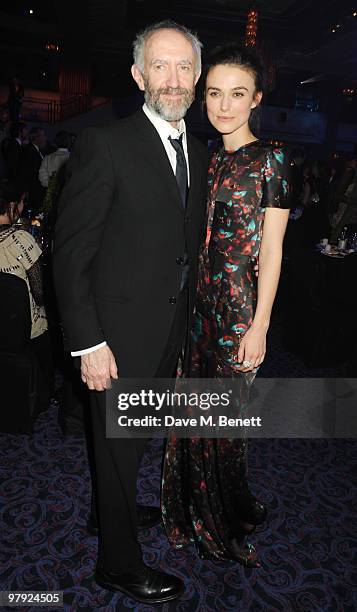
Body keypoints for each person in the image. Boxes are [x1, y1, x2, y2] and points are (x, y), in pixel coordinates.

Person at [53, 21, 207, 604]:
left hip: (167, 330)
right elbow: (69, 256)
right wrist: (88, 342)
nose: (173, 79)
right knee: (118, 446)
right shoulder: (106, 145)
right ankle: (117, 566)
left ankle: (107, 512)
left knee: (134, 439)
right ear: (139, 75)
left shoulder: (198, 146)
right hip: (113, 338)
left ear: (196, 76)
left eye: (184, 67)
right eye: (160, 66)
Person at [162, 43, 291, 567]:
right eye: (214, 93)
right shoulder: (207, 156)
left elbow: (275, 251)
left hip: (238, 312)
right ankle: (197, 504)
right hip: (197, 309)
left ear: (256, 98)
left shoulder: (272, 159)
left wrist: (259, 326)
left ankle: (226, 520)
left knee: (226, 426)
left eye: (237, 94)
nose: (223, 105)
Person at [0, 180, 52, 410]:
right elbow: (40, 294)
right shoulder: (21, 240)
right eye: (20, 203)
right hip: (27, 330)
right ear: (12, 206)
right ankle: (46, 393)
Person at [18, 127, 47, 213]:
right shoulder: (30, 151)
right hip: (33, 191)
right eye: (43, 136)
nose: (45, 138)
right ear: (36, 137)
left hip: (33, 190)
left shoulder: (34, 150)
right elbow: (30, 173)